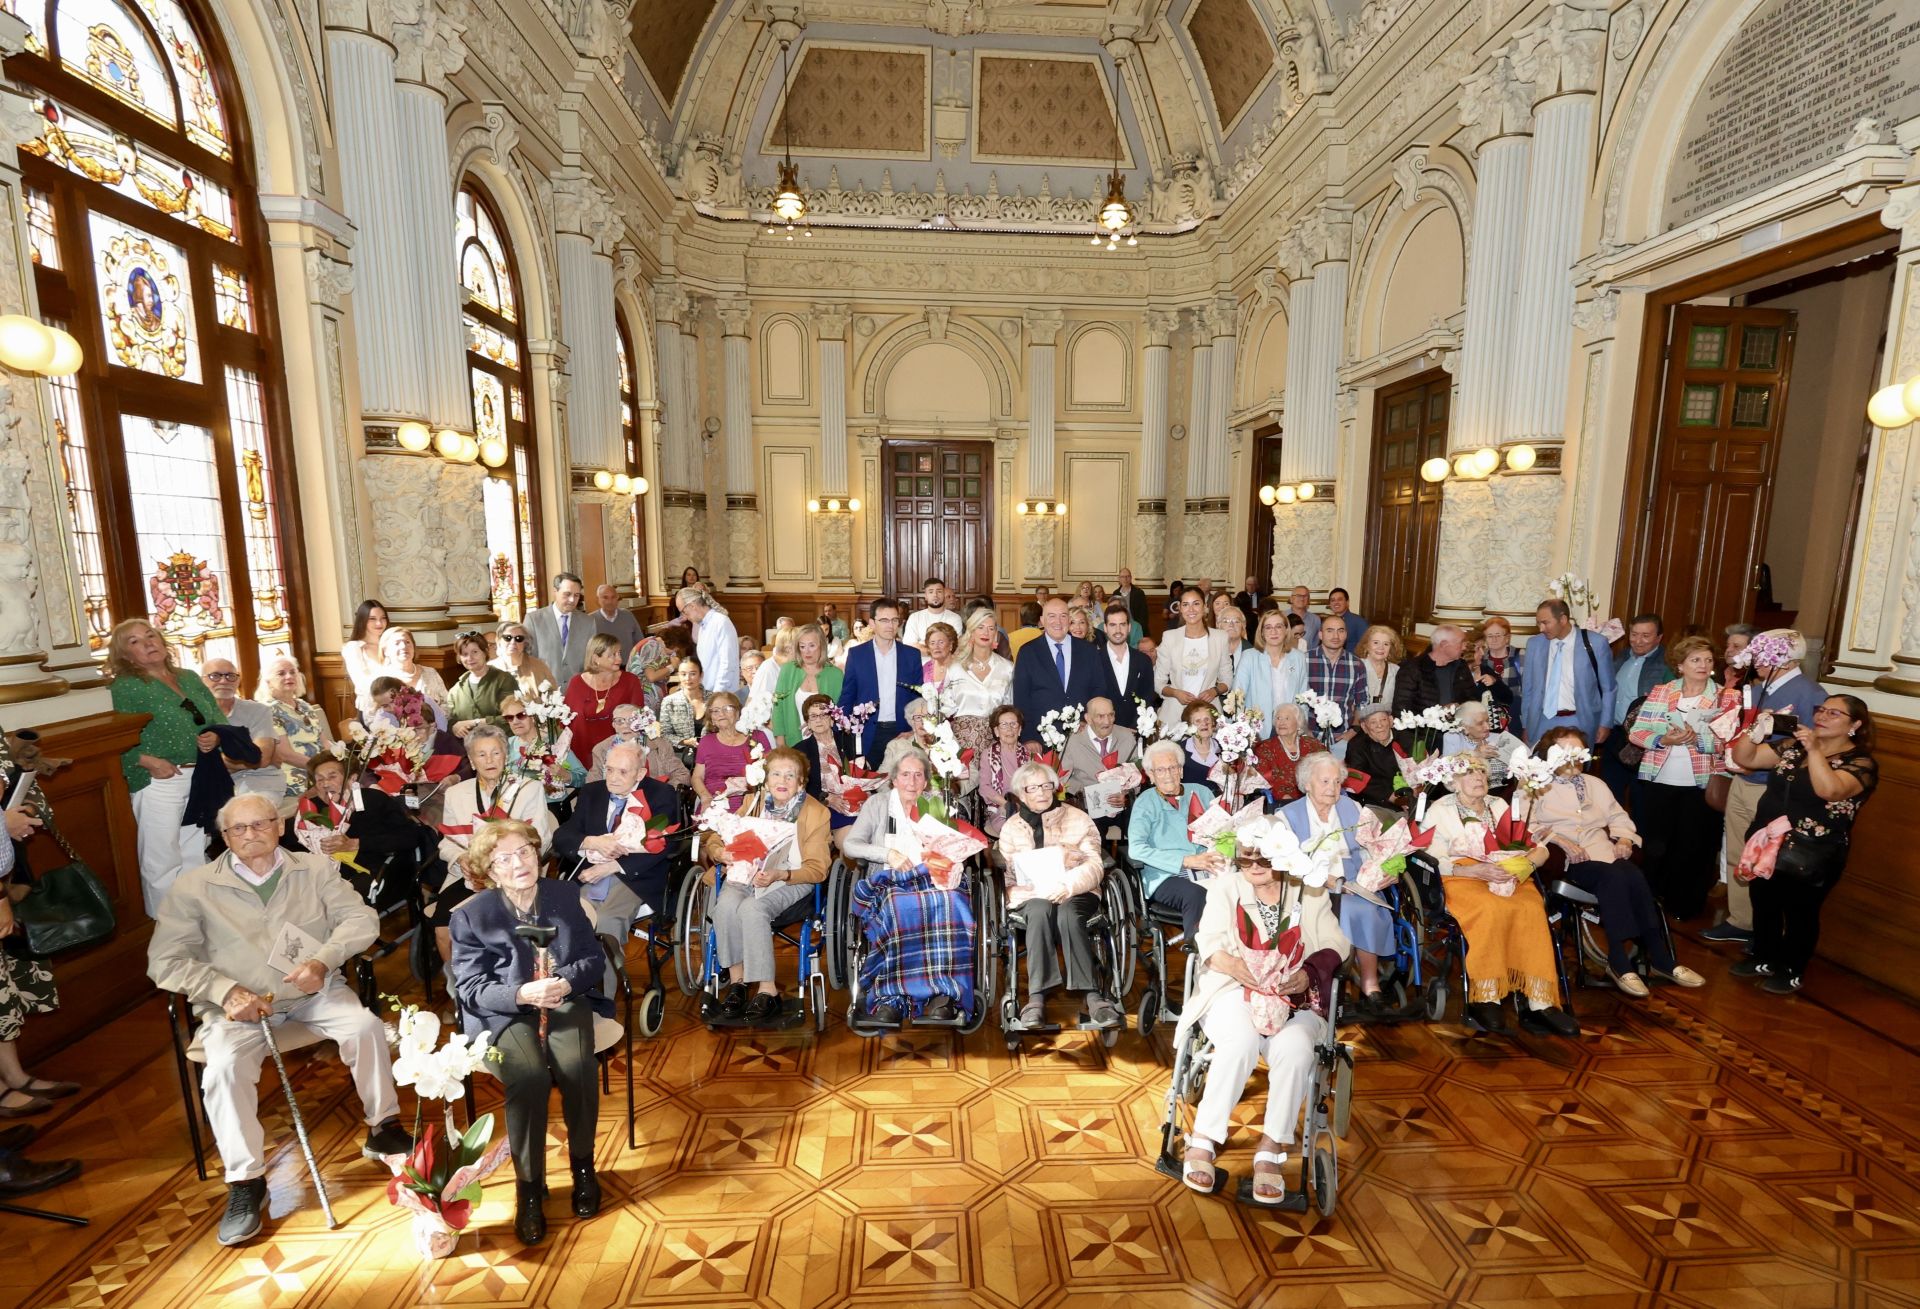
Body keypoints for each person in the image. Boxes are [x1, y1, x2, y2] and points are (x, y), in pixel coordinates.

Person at [146, 793, 412, 1246]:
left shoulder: (315, 870)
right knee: (224, 1068)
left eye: (260, 824)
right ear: (224, 837)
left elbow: (360, 920)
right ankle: (246, 1181)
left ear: (279, 826)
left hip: (313, 996)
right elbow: (164, 961)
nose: (250, 835)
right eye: (238, 829)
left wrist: (323, 961)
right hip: (239, 1011)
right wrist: (224, 991)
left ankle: (383, 1128)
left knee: (365, 1027)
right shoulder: (192, 888)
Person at [448, 818, 607, 1246]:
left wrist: (566, 983)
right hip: (506, 1013)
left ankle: (583, 1168)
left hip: (563, 999)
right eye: (505, 858)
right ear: (490, 870)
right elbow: (471, 988)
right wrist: (522, 993)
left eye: (525, 852)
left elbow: (594, 958)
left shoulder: (563, 895)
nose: (519, 863)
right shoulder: (471, 916)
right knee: (530, 1077)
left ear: (538, 855)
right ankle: (530, 1189)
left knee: (577, 1066)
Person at [1175, 834, 1347, 1201]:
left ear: (1283, 857)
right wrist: (1236, 966)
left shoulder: (1309, 890)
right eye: (1245, 860)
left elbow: (1336, 943)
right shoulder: (1225, 887)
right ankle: (1204, 1138)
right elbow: (1208, 940)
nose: (1253, 867)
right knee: (1240, 1042)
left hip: (1294, 993)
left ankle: (1271, 1149)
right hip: (1233, 988)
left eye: (1263, 861)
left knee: (1297, 1051)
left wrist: (1307, 974)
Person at [1527, 728, 1706, 997]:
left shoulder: (1595, 784)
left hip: (1603, 851)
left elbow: (1618, 817)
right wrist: (1560, 841)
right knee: (1615, 876)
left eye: (1577, 753)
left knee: (1632, 873)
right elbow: (1526, 827)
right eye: (1565, 753)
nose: (1573, 760)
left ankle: (1659, 957)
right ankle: (1622, 961)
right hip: (1564, 857)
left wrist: (1624, 840)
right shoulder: (1534, 785)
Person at [1728, 694, 1876, 993]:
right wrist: (1754, 730)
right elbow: (1746, 758)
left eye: (1834, 714)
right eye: (1821, 710)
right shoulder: (1793, 747)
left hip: (1814, 851)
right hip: (1768, 842)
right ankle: (1764, 957)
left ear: (1855, 724)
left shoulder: (1860, 762)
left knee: (1800, 912)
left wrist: (1815, 750)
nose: (1822, 716)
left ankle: (1792, 968)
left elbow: (1830, 790)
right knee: (1764, 903)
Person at [1419, 759, 1579, 1037]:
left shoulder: (1500, 805)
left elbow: (1534, 846)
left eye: (1481, 771)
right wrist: (1471, 870)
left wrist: (1528, 864)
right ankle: (1487, 996)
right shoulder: (1440, 809)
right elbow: (1430, 857)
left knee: (1530, 907)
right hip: (1462, 876)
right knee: (1490, 910)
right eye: (1469, 773)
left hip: (1507, 874)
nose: (1478, 777)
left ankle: (1539, 1001)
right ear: (1453, 782)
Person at [1703, 629, 1827, 948]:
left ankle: (1764, 927)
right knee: (1736, 853)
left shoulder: (1810, 693)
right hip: (1743, 780)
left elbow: (1807, 746)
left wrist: (1759, 758)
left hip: (1772, 787)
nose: (1755, 660)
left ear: (1783, 658)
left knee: (1763, 857)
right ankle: (1740, 920)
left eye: (1762, 654)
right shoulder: (1759, 689)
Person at [842, 748, 976, 1025]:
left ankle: (943, 995)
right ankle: (893, 997)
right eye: (905, 775)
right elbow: (850, 845)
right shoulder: (877, 804)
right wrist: (887, 854)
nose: (912, 782)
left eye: (918, 775)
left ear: (926, 781)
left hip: (932, 878)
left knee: (952, 903)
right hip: (891, 882)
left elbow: (955, 845)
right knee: (899, 907)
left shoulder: (937, 803)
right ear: (894, 779)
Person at [701, 747, 832, 1024]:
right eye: (775, 773)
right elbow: (715, 836)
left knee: (752, 909)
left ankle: (767, 990)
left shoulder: (816, 813)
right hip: (746, 873)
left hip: (791, 879)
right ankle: (737, 982)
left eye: (790, 775)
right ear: (766, 778)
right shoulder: (753, 802)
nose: (781, 780)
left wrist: (779, 874)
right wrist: (719, 853)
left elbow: (818, 869)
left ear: (801, 782)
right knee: (724, 906)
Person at [108, 619, 225, 914]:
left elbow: (217, 719)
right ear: (124, 655)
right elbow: (114, 740)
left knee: (194, 852)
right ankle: (165, 931)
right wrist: (148, 761)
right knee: (162, 860)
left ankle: (197, 919)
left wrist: (215, 735)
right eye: (134, 641)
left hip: (200, 775)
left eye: (150, 635)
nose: (147, 643)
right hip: (159, 780)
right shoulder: (126, 687)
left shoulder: (187, 676)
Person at [996, 761, 1123, 1029]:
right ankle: (1036, 998)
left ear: (1055, 788)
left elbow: (1094, 864)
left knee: (1068, 913)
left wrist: (1067, 885)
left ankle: (1093, 996)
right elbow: (1008, 872)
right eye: (1033, 788)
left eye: (1046, 786)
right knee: (1039, 910)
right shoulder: (1011, 827)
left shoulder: (1078, 818)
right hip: (1034, 895)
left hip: (1077, 890)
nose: (1041, 793)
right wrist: (1010, 890)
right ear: (1021, 794)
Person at [1625, 635, 1739, 919]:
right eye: (1695, 660)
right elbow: (1637, 733)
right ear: (1680, 665)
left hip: (1701, 786)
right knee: (1655, 846)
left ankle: (1684, 905)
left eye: (1708, 660)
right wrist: (1664, 739)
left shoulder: (1727, 696)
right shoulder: (1662, 691)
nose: (1703, 665)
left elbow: (1728, 742)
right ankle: (1649, 901)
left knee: (1694, 849)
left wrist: (1696, 740)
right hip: (1658, 780)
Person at [1276, 752, 1389, 1008]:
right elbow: (1286, 859)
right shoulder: (1288, 815)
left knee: (1364, 908)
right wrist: (1324, 880)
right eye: (1325, 781)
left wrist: (1383, 869)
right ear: (1307, 784)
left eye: (1337, 782)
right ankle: (1330, 981)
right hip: (1309, 884)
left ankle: (1370, 982)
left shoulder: (1353, 808)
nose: (1333, 788)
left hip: (1353, 879)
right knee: (1342, 910)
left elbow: (1375, 847)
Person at [434, 725, 556, 960]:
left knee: (492, 929)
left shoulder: (528, 789)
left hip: (516, 876)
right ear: (471, 760)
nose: (489, 760)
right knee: (444, 929)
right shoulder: (456, 794)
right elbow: (446, 843)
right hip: (469, 875)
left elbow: (541, 838)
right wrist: (461, 859)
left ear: (506, 756)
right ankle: (463, 991)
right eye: (481, 754)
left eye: (496, 753)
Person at [552, 741, 681, 959]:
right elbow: (562, 837)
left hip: (636, 876)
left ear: (640, 773)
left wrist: (614, 865)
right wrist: (592, 842)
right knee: (567, 917)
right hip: (589, 873)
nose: (613, 778)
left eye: (623, 772)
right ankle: (573, 983)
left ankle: (605, 992)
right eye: (609, 770)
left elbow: (668, 843)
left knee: (606, 921)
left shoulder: (661, 794)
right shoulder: (592, 792)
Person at [1127, 739, 1224, 940]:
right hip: (1165, 875)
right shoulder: (1146, 802)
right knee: (1195, 894)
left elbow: (1223, 829)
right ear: (1151, 776)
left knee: (1234, 887)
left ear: (1181, 770)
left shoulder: (1201, 792)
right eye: (1160, 770)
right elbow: (1136, 849)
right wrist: (1184, 861)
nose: (1168, 774)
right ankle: (1196, 954)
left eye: (1173, 767)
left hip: (1208, 867)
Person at [202, 657, 295, 809]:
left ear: (238, 681)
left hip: (261, 784)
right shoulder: (193, 714)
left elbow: (262, 758)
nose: (224, 681)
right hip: (215, 788)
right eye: (215, 676)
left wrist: (215, 762)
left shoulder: (257, 710)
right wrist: (248, 758)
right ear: (201, 681)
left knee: (247, 812)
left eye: (230, 676)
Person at [1520, 599, 1614, 746]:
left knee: (1573, 768)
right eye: (1538, 623)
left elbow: (1609, 688)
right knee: (1537, 766)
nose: (1541, 628)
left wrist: (1605, 723)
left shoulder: (1595, 643)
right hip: (1540, 721)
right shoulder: (1534, 644)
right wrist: (1526, 724)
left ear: (1563, 619)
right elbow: (1528, 689)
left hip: (1579, 720)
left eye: (1545, 622)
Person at [1601, 613, 1675, 801]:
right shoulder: (1621, 656)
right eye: (1634, 634)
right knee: (1609, 793)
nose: (1638, 641)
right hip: (1615, 735)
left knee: (1640, 796)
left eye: (1645, 636)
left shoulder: (1668, 663)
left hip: (1644, 740)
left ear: (1659, 637)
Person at [839, 597, 921, 762]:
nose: (890, 625)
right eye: (884, 620)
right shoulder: (857, 655)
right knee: (870, 783)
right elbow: (848, 695)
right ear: (872, 623)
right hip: (868, 732)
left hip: (902, 731)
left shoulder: (911, 655)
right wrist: (840, 728)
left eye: (894, 620)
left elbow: (918, 698)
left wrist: (915, 729)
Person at [1011, 598, 1100, 742]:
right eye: (1052, 616)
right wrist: (1028, 738)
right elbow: (1021, 699)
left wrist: (1088, 721)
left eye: (1063, 616)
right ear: (1042, 621)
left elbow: (1098, 690)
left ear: (1069, 620)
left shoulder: (1089, 652)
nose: (1058, 622)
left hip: (1082, 736)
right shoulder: (1028, 652)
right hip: (1041, 738)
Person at [256, 650, 335, 805]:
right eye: (281, 673)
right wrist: (322, 769)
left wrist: (340, 759)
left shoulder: (305, 706)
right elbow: (285, 754)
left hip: (321, 770)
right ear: (268, 681)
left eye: (293, 672)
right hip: (295, 776)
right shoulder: (268, 711)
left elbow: (324, 742)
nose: (289, 676)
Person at [1154, 585, 1232, 732]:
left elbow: (1227, 679)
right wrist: (1176, 693)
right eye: (1185, 605)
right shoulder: (1170, 637)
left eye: (1196, 604)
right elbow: (1159, 683)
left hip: (1209, 714)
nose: (1191, 610)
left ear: (1205, 607)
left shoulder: (1220, 637)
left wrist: (1214, 691)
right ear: (1180, 609)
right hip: (1175, 714)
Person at [563, 634, 646, 764]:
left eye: (619, 653)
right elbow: (566, 722)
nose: (619, 658)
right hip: (582, 754)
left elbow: (639, 720)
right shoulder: (576, 683)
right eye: (612, 654)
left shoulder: (630, 681)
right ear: (596, 658)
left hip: (620, 754)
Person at [1392, 623, 1475, 743]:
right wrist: (1438, 713)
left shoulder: (1461, 667)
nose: (1464, 648)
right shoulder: (1413, 669)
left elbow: (1473, 699)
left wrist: (1460, 707)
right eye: (1461, 642)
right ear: (1444, 644)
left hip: (1459, 735)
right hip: (1423, 738)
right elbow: (1402, 711)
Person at [693, 692, 772, 814]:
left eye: (727, 708)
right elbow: (697, 777)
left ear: (738, 712)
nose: (721, 714)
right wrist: (705, 797)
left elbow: (771, 771)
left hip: (751, 801)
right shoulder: (706, 742)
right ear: (711, 718)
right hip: (715, 802)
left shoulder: (757, 737)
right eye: (716, 711)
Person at [502, 694, 588, 805]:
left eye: (521, 715)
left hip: (550, 807)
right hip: (516, 806)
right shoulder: (506, 745)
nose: (515, 721)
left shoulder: (555, 744)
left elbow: (584, 777)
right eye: (509, 717)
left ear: (534, 717)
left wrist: (566, 775)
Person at [1235, 609, 1307, 741]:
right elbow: (1237, 698)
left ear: (1286, 630)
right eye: (1268, 627)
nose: (1273, 632)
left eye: (1278, 626)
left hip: (1290, 729)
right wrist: (1241, 730)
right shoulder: (1249, 657)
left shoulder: (1299, 658)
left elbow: (1303, 697)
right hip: (1257, 730)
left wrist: (1300, 728)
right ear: (1262, 632)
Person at [796, 694, 858, 837]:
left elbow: (861, 773)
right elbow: (800, 788)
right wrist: (826, 798)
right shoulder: (800, 751)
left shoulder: (849, 741)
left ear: (832, 719)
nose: (818, 720)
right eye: (813, 716)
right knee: (851, 836)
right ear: (808, 722)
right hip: (823, 806)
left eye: (823, 715)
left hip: (853, 801)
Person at [767, 624, 839, 747]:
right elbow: (778, 707)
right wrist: (780, 738)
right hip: (793, 739)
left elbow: (839, 712)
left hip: (826, 742)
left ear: (821, 646)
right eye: (802, 646)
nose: (807, 651)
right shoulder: (788, 670)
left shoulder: (835, 674)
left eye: (812, 645)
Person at [587, 704, 689, 790]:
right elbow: (592, 785)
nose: (625, 726)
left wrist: (664, 794)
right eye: (619, 721)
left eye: (632, 720)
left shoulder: (659, 745)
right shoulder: (601, 749)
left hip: (653, 802)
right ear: (613, 724)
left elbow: (681, 774)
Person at [1305, 613, 1365, 753]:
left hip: (1342, 739)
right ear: (1320, 634)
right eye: (1330, 630)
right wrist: (1305, 732)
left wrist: (1353, 731)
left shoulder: (1356, 664)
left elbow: (1362, 703)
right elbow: (1294, 700)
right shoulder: (1304, 661)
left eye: (1341, 630)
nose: (1335, 636)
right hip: (1309, 737)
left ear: (1346, 635)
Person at [446, 631, 519, 738]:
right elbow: (451, 720)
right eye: (464, 654)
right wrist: (454, 727)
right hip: (469, 749)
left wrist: (475, 722)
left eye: (475, 652)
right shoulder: (455, 690)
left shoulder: (504, 680)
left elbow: (512, 717)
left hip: (503, 744)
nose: (470, 658)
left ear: (485, 652)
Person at [525, 573, 593, 688]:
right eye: (567, 594)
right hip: (545, 690)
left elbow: (591, 659)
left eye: (576, 595)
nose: (572, 600)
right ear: (555, 591)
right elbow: (528, 658)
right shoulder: (534, 620)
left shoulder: (588, 622)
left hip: (578, 690)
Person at [1093, 603, 1154, 729]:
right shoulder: (1093, 660)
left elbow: (1148, 697)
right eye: (1112, 625)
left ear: (1129, 627)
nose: (1118, 630)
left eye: (1122, 624)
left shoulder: (1143, 661)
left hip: (1136, 732)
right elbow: (1091, 697)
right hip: (1102, 731)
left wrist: (1135, 727)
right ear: (1105, 627)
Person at [978, 706, 1036, 837]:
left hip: (1030, 807)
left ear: (1020, 729)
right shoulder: (988, 755)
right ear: (996, 731)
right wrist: (1008, 805)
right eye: (1004, 725)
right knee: (1018, 831)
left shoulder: (1029, 755)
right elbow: (984, 788)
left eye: (1013, 724)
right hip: (1002, 809)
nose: (1009, 729)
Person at [1254, 703, 1326, 808]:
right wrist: (1284, 797)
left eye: (1287, 718)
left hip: (1313, 798)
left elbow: (1328, 768)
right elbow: (1265, 779)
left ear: (1298, 723)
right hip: (1280, 802)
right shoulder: (1265, 748)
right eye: (1278, 718)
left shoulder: (1313, 745)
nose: (1281, 722)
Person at [1443, 700, 1527, 789]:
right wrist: (1476, 754)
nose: (1487, 727)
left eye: (1487, 721)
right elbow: (1448, 773)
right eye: (1480, 723)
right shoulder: (1453, 738)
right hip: (1468, 792)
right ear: (1465, 728)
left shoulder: (1499, 738)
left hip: (1504, 790)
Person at [676, 586, 740, 693]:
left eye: (684, 612)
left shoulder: (720, 622)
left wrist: (716, 694)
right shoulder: (703, 626)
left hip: (722, 694)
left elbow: (727, 664)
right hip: (708, 692)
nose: (685, 617)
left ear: (692, 606)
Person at [378, 627, 449, 717]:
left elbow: (447, 703)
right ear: (385, 651)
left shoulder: (430, 673)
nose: (403, 646)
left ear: (414, 647)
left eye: (407, 642)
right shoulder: (380, 679)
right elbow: (371, 715)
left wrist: (435, 720)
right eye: (397, 643)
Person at [341, 600, 392, 714]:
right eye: (372, 619)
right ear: (362, 620)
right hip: (370, 709)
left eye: (383, 618)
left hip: (396, 706)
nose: (379, 623)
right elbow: (361, 682)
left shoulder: (392, 644)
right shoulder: (354, 648)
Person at [492, 619, 557, 697]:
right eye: (508, 638)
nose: (513, 642)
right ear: (498, 641)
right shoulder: (490, 668)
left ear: (525, 643)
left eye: (519, 638)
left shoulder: (539, 666)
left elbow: (553, 695)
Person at [659, 657, 709, 755]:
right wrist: (685, 742)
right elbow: (665, 735)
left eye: (693, 674)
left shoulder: (714, 699)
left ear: (701, 675)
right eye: (683, 674)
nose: (688, 678)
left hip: (711, 755)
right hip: (681, 757)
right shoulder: (669, 701)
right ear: (679, 675)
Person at [1475, 615, 1524, 707]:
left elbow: (1528, 688)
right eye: (1490, 636)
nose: (1494, 639)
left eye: (1498, 635)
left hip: (1514, 711)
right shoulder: (1479, 658)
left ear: (1507, 638)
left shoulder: (1520, 656)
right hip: (1487, 712)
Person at [903, 577, 963, 648]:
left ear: (943, 594)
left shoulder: (955, 618)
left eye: (939, 591)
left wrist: (921, 645)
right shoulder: (914, 617)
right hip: (921, 659)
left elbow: (954, 646)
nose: (935, 595)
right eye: (931, 592)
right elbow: (910, 646)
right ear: (926, 596)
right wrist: (940, 649)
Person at [589, 584, 643, 662]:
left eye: (613, 597)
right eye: (605, 597)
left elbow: (639, 641)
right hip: (603, 669)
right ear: (598, 600)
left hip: (628, 666)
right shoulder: (590, 620)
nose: (610, 601)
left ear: (618, 598)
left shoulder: (628, 615)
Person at [1356, 624, 1403, 713]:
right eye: (1376, 642)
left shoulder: (1396, 671)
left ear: (1391, 648)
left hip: (1385, 722)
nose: (1381, 647)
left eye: (1386, 644)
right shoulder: (1357, 667)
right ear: (1366, 645)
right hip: (1360, 721)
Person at [918, 621, 962, 695]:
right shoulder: (925, 668)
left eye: (941, 642)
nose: (936, 646)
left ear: (951, 645)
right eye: (932, 643)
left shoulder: (961, 667)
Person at [1113, 568, 1151, 637]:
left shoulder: (1138, 593)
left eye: (1127, 576)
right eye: (1123, 577)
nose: (1125, 579)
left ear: (1131, 578)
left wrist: (1140, 628)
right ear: (1119, 579)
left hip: (1135, 626)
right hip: (1120, 626)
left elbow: (1143, 613)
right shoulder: (1116, 593)